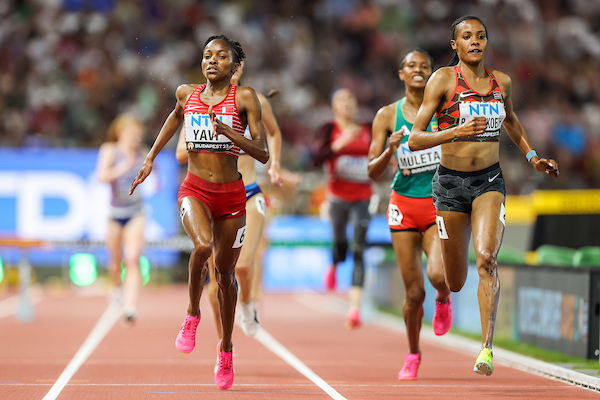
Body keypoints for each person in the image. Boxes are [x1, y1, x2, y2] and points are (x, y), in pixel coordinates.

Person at [408, 16, 559, 376]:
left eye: (480, 36)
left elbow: (512, 121)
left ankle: (486, 350)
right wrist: (455, 132)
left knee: (488, 259)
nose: (475, 41)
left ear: (487, 42)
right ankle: (443, 298)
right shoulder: (443, 80)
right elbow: (414, 138)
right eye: (467, 36)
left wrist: (533, 157)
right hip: (449, 185)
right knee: (455, 280)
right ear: (455, 45)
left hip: (489, 180)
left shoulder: (501, 82)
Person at [130, 34, 269, 390]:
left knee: (225, 276)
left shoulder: (245, 98)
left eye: (221, 56)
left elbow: (263, 152)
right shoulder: (186, 93)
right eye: (207, 55)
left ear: (234, 66)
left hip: (232, 196)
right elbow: (174, 118)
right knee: (202, 246)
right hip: (194, 189)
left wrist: (229, 133)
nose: (212, 61)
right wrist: (150, 158)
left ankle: (226, 349)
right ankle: (192, 315)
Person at [175, 60, 284, 340]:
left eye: (231, 62)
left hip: (248, 193)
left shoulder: (255, 101)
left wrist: (275, 165)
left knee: (244, 266)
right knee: (216, 281)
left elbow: (273, 134)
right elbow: (180, 154)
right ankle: (223, 344)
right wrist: (207, 137)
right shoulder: (199, 102)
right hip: (213, 196)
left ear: (240, 67)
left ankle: (247, 304)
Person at [368, 49, 453, 380]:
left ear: (432, 74)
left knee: (437, 275)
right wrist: (390, 149)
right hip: (403, 206)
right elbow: (372, 171)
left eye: (425, 66)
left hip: (436, 203)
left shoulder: (443, 111)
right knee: (414, 293)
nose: (418, 70)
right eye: (411, 66)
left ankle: (443, 297)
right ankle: (413, 354)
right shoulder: (387, 115)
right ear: (401, 74)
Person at [312, 87, 372, 329]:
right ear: (334, 106)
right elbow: (315, 158)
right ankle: (335, 264)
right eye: (341, 100)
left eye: (350, 99)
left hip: (363, 198)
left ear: (356, 104)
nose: (346, 103)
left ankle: (354, 309)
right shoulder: (329, 129)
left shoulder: (367, 129)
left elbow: (379, 153)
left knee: (359, 248)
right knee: (341, 244)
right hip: (337, 198)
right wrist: (339, 144)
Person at [97, 114, 148, 326]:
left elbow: (155, 173)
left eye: (138, 135)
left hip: (136, 212)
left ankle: (130, 306)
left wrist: (156, 180)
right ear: (121, 133)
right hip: (115, 214)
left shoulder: (143, 153)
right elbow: (102, 176)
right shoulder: (110, 150)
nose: (136, 139)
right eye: (132, 135)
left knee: (133, 258)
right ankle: (117, 287)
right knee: (115, 262)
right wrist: (124, 168)